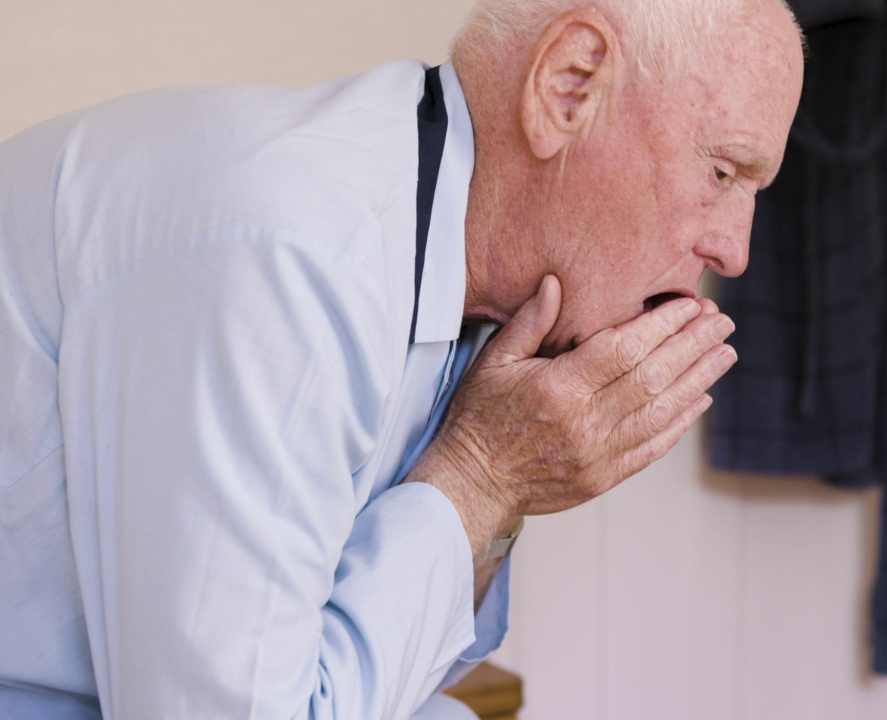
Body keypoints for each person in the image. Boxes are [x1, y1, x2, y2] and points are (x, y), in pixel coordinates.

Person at [0, 0, 804, 716]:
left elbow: (406, 678)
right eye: (723, 171)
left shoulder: (473, 280)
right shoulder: (291, 257)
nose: (734, 250)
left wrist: (502, 483)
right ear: (570, 84)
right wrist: (486, 474)